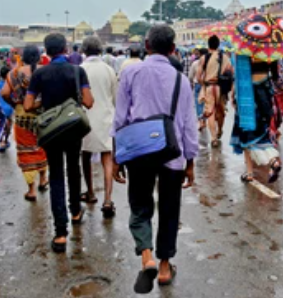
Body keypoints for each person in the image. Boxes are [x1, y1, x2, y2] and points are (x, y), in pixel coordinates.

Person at [112, 25, 198, 293]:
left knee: (140, 204)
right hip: (171, 152)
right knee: (170, 208)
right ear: (173, 49)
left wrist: (117, 156)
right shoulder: (181, 80)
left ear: (146, 45)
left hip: (139, 151)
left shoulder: (131, 72)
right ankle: (163, 267)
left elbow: (120, 118)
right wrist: (191, 160)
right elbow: (188, 124)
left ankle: (146, 255)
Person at [24, 34, 94, 252]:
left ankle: (60, 233)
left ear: (46, 51)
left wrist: (45, 103)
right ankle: (75, 211)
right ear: (65, 49)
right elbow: (89, 102)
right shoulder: (77, 71)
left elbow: (27, 105)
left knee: (56, 176)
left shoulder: (40, 74)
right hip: (73, 129)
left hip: (51, 132)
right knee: (73, 169)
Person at [1, 46, 48, 201]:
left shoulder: (14, 73)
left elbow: (5, 93)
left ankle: (31, 189)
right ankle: (43, 179)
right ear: (39, 57)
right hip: (44, 115)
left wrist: (15, 104)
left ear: (23, 57)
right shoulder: (45, 71)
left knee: (26, 151)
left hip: (23, 116)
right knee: (42, 146)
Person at [79, 37, 118, 217]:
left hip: (84, 119)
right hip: (106, 118)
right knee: (107, 157)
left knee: (85, 155)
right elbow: (115, 98)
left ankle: (91, 192)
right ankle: (108, 199)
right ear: (100, 51)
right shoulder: (108, 70)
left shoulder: (79, 69)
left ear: (84, 51)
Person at [231, 57, 282, 184]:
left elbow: (238, 78)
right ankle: (273, 162)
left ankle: (249, 173)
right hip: (265, 101)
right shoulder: (270, 52)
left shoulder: (244, 52)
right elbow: (276, 78)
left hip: (247, 100)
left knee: (247, 140)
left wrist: (234, 95)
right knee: (263, 137)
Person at [196, 36, 232, 148]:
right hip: (221, 88)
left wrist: (204, 84)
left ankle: (214, 138)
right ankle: (220, 130)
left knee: (210, 112)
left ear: (208, 45)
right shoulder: (224, 57)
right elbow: (231, 73)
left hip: (209, 87)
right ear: (218, 45)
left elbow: (198, 76)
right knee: (221, 111)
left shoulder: (204, 58)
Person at [0, 66, 14, 152]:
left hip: (0, 108)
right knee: (8, 125)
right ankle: (4, 141)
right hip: (8, 109)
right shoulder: (10, 85)